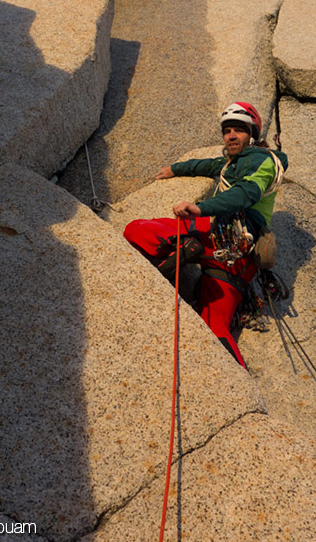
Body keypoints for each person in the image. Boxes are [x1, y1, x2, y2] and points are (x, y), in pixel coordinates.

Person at [123, 102, 288, 368]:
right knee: (215, 327)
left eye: (239, 130)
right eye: (227, 131)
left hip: (220, 236)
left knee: (135, 229)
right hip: (239, 263)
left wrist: (199, 208)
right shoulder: (232, 164)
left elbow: (245, 194)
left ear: (254, 135)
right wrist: (177, 169)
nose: (231, 135)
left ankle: (182, 244)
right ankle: (239, 388)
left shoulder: (263, 161)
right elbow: (207, 165)